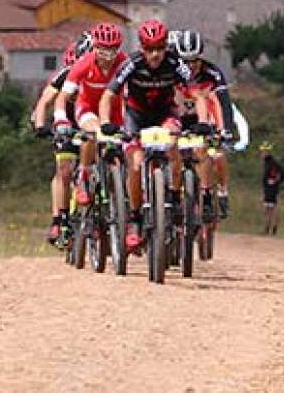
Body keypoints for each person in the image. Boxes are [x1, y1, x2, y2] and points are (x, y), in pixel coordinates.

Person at [99, 18, 191, 252]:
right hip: (136, 116)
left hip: (164, 114)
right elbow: (108, 96)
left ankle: (174, 199)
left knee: (173, 145)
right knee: (136, 164)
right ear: (142, 48)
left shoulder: (175, 63)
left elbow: (195, 92)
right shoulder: (132, 63)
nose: (155, 54)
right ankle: (136, 219)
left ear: (166, 47)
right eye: (150, 49)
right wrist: (106, 123)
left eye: (160, 48)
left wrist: (198, 116)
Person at [54, 22, 128, 218]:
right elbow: (63, 97)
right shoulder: (83, 64)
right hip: (86, 108)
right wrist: (61, 120)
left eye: (113, 50)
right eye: (104, 50)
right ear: (95, 47)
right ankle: (84, 177)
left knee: (128, 148)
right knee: (92, 133)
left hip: (113, 112)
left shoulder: (124, 62)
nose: (109, 56)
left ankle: (122, 196)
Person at [174, 28, 249, 221]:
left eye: (195, 61)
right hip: (182, 117)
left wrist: (226, 130)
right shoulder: (173, 71)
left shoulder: (212, 73)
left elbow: (224, 103)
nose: (191, 66)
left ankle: (216, 193)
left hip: (207, 117)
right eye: (186, 61)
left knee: (214, 152)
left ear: (201, 57)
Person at [30, 33, 91, 243]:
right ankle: (59, 220)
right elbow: (44, 101)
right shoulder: (65, 75)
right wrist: (40, 125)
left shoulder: (104, 76)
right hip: (67, 124)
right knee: (64, 169)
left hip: (91, 123)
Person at [260, 143, 284, 235]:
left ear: (267, 152)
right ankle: (267, 228)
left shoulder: (273, 162)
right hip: (267, 189)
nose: (261, 153)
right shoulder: (266, 163)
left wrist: (275, 181)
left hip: (272, 189)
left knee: (271, 209)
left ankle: (272, 228)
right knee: (267, 209)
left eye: (263, 152)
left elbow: (283, 174)